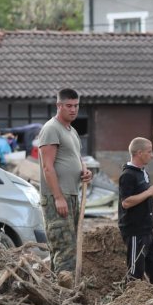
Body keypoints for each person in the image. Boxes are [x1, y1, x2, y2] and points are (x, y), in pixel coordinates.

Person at [36, 88, 93, 273]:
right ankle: (64, 296)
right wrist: (58, 197)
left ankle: (60, 291)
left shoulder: (72, 131)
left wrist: (85, 172)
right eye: (68, 106)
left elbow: (77, 158)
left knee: (71, 247)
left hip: (72, 195)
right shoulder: (51, 129)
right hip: (57, 198)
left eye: (76, 106)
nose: (73, 110)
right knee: (64, 249)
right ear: (58, 105)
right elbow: (47, 167)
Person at [117, 137, 153, 285]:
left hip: (147, 229)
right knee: (135, 272)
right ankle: (132, 301)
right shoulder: (127, 175)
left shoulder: (143, 172)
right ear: (139, 153)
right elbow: (126, 202)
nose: (152, 155)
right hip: (134, 231)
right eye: (149, 152)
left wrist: (150, 193)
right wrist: (148, 193)